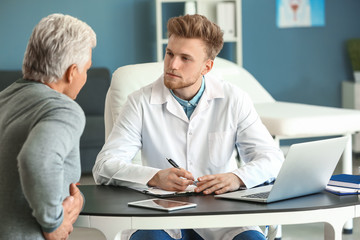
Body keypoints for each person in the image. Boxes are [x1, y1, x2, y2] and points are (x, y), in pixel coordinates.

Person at [93, 14, 284, 240]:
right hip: (162, 216)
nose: (173, 65)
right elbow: (103, 166)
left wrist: (237, 178)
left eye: (185, 58)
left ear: (207, 66)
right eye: (170, 54)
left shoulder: (234, 99)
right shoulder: (140, 102)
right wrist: (155, 177)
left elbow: (273, 159)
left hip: (222, 217)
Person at [0, 13, 96, 239]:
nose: (85, 77)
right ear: (72, 72)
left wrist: (78, 198)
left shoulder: (4, 99)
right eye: (86, 70)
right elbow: (37, 158)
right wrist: (53, 224)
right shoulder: (63, 109)